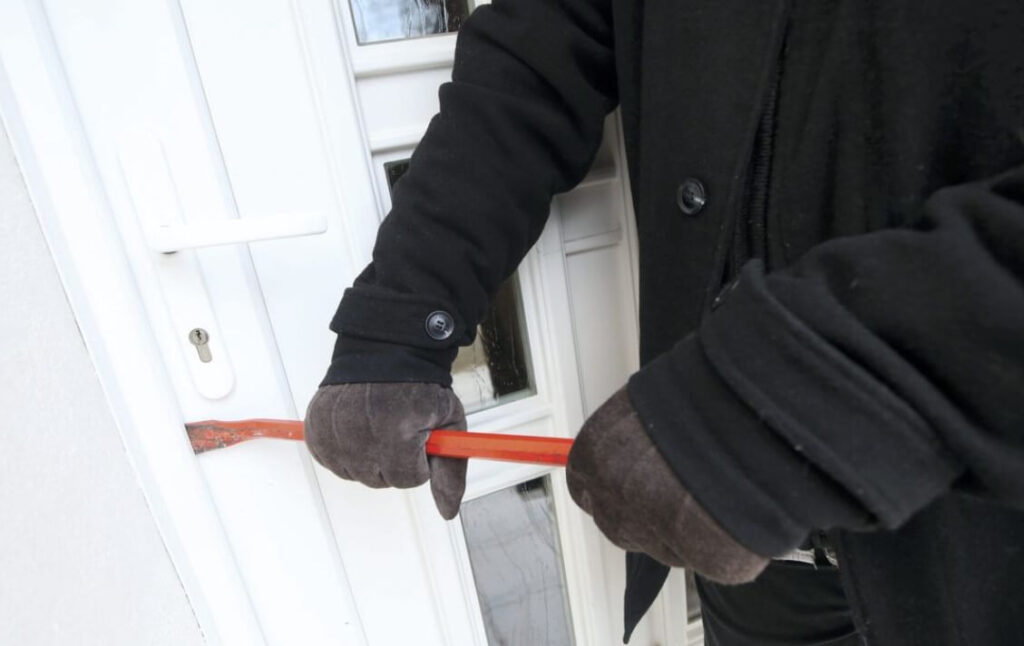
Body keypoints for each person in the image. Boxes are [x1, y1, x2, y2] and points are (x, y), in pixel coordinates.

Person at [303, 1, 1024, 644]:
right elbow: (536, 54)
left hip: (978, 537)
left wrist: (791, 400)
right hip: (749, 554)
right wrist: (403, 311)